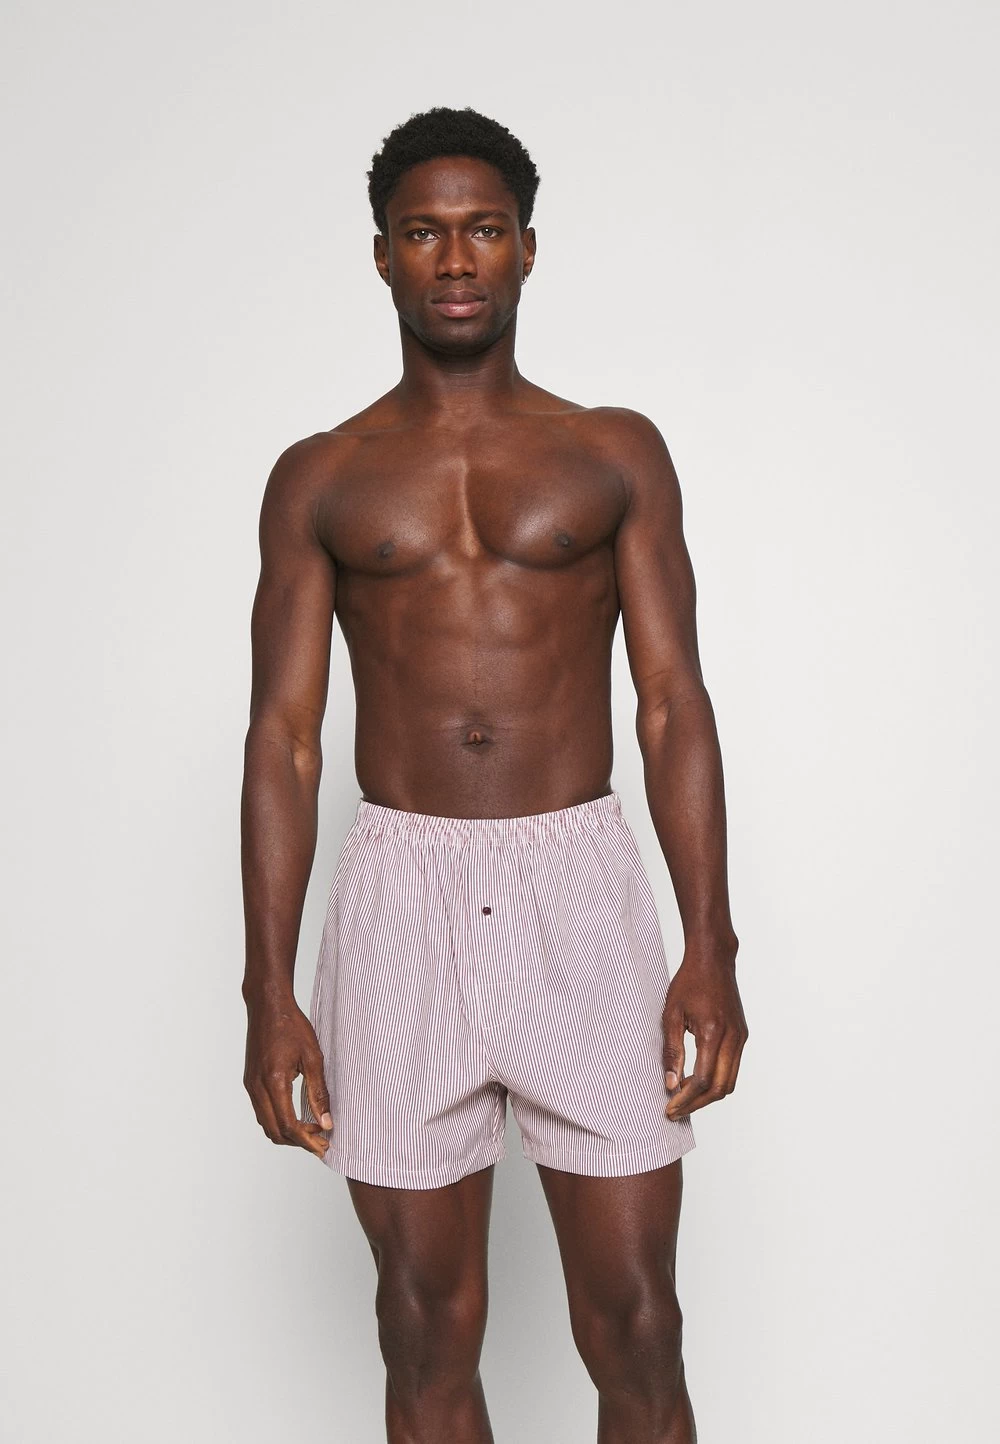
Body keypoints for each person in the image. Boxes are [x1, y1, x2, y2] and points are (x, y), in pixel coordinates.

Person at [241, 105, 748, 1444]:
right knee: (421, 1327)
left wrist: (710, 946)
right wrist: (267, 990)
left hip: (576, 883)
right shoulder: (320, 476)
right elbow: (284, 738)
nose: (455, 258)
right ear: (382, 256)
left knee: (639, 1323)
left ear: (528, 248)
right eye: (424, 232)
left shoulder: (613, 451)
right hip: (399, 893)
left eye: (482, 230)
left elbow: (672, 704)